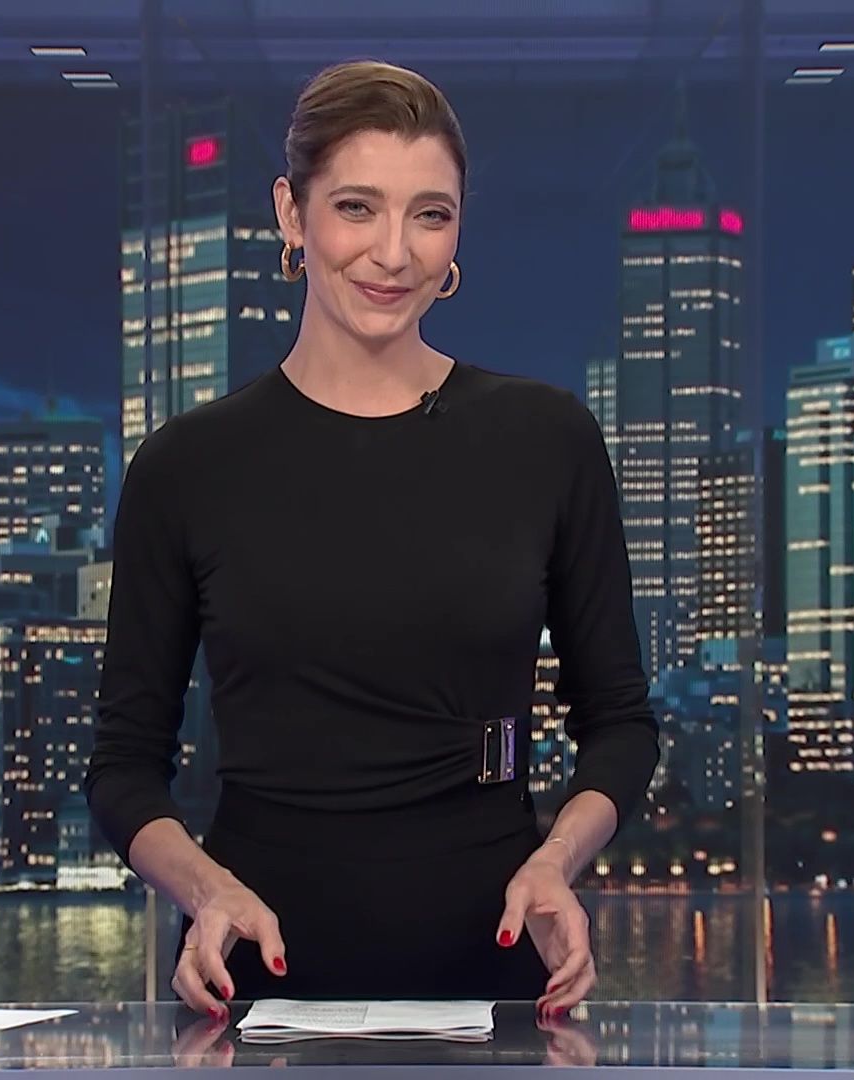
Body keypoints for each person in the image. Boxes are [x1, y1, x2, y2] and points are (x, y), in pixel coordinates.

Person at [82, 58, 660, 1022]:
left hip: (494, 979)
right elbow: (123, 764)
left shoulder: (546, 439)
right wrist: (204, 889)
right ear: (291, 213)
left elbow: (622, 724)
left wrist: (556, 862)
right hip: (255, 985)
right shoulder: (187, 465)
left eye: (430, 215)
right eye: (357, 208)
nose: (393, 253)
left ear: (458, 232)